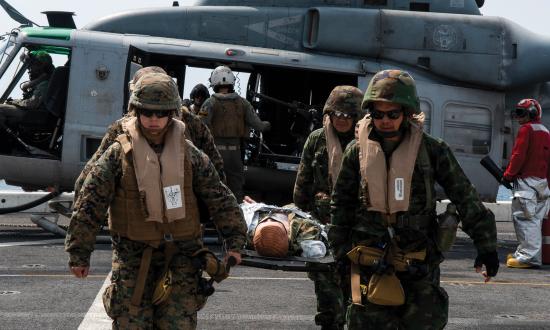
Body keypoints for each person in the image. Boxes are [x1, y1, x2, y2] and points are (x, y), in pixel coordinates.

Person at [65, 72, 247, 329]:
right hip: (133, 256)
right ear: (136, 111)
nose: (153, 119)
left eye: (160, 114)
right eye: (147, 113)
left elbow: (218, 196)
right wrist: (79, 253)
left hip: (183, 256)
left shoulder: (189, 153)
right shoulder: (119, 153)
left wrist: (235, 241)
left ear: (171, 113)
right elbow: (91, 200)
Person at [328, 69, 499, 329]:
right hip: (370, 261)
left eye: (392, 114)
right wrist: (340, 255)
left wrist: (486, 247)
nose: (385, 120)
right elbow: (340, 206)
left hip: (418, 261)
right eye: (377, 114)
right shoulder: (356, 152)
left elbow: (465, 196)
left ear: (407, 113)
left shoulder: (432, 150)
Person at [74, 66, 226, 199]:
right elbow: (217, 170)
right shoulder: (193, 123)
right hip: (182, 219)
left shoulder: (122, 128)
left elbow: (87, 180)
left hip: (137, 220)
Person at [293, 85, 364, 330]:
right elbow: (302, 183)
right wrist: (304, 219)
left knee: (357, 298)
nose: (341, 120)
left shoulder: (366, 140)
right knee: (326, 295)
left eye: (347, 115)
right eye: (336, 114)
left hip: (357, 229)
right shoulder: (317, 140)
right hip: (322, 228)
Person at [200, 66, 271, 201]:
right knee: (236, 187)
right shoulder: (243, 103)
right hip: (236, 153)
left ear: (214, 82)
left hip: (215, 152)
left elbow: (200, 123)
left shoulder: (209, 103)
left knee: (215, 184)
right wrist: (269, 125)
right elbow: (259, 125)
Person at [503, 99, 550, 268]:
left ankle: (526, 257)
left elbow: (518, 155)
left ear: (531, 112)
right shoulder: (545, 131)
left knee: (524, 219)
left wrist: (508, 175)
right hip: (542, 184)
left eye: (521, 113)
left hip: (526, 183)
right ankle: (529, 255)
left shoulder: (526, 130)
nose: (518, 117)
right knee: (535, 221)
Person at [0, 50, 54, 126]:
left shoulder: (44, 83)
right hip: (31, 112)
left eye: (32, 64)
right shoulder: (42, 80)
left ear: (41, 66)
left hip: (33, 115)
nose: (29, 68)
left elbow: (32, 104)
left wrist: (14, 102)